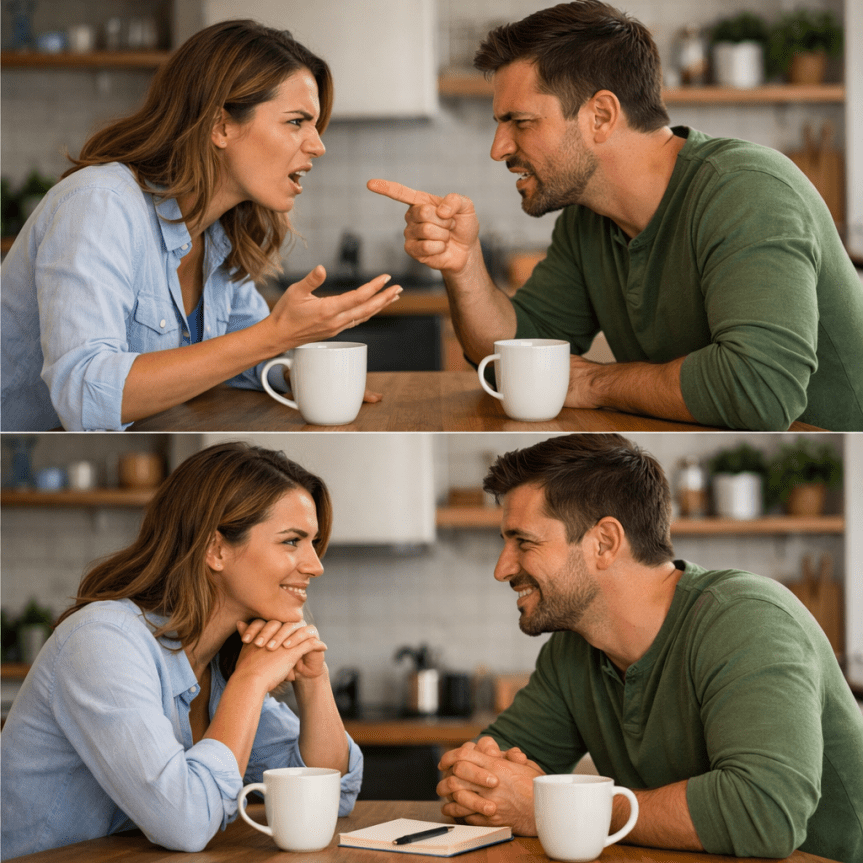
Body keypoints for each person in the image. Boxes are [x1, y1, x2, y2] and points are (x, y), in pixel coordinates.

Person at [368, 1, 863, 431]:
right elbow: (509, 360)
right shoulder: (587, 221)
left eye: (519, 122)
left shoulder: (747, 191)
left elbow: (760, 392)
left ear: (600, 116)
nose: (498, 149)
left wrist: (596, 382)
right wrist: (465, 267)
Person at [435, 434, 863, 862]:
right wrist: (477, 783)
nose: (501, 568)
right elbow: (482, 778)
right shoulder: (572, 652)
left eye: (523, 542)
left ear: (604, 542)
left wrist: (555, 808)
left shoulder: (748, 621)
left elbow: (764, 814)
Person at [1, 20, 402, 431]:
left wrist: (301, 379)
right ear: (220, 125)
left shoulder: (219, 230)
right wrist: (276, 335)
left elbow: (242, 350)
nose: (318, 144)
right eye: (296, 122)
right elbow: (83, 395)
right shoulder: (100, 205)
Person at [0, 441, 362, 858]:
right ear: (216, 549)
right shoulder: (103, 641)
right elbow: (185, 823)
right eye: (292, 541)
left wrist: (314, 680)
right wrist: (251, 680)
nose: (315, 564)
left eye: (313, 543)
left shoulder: (220, 660)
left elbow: (332, 796)